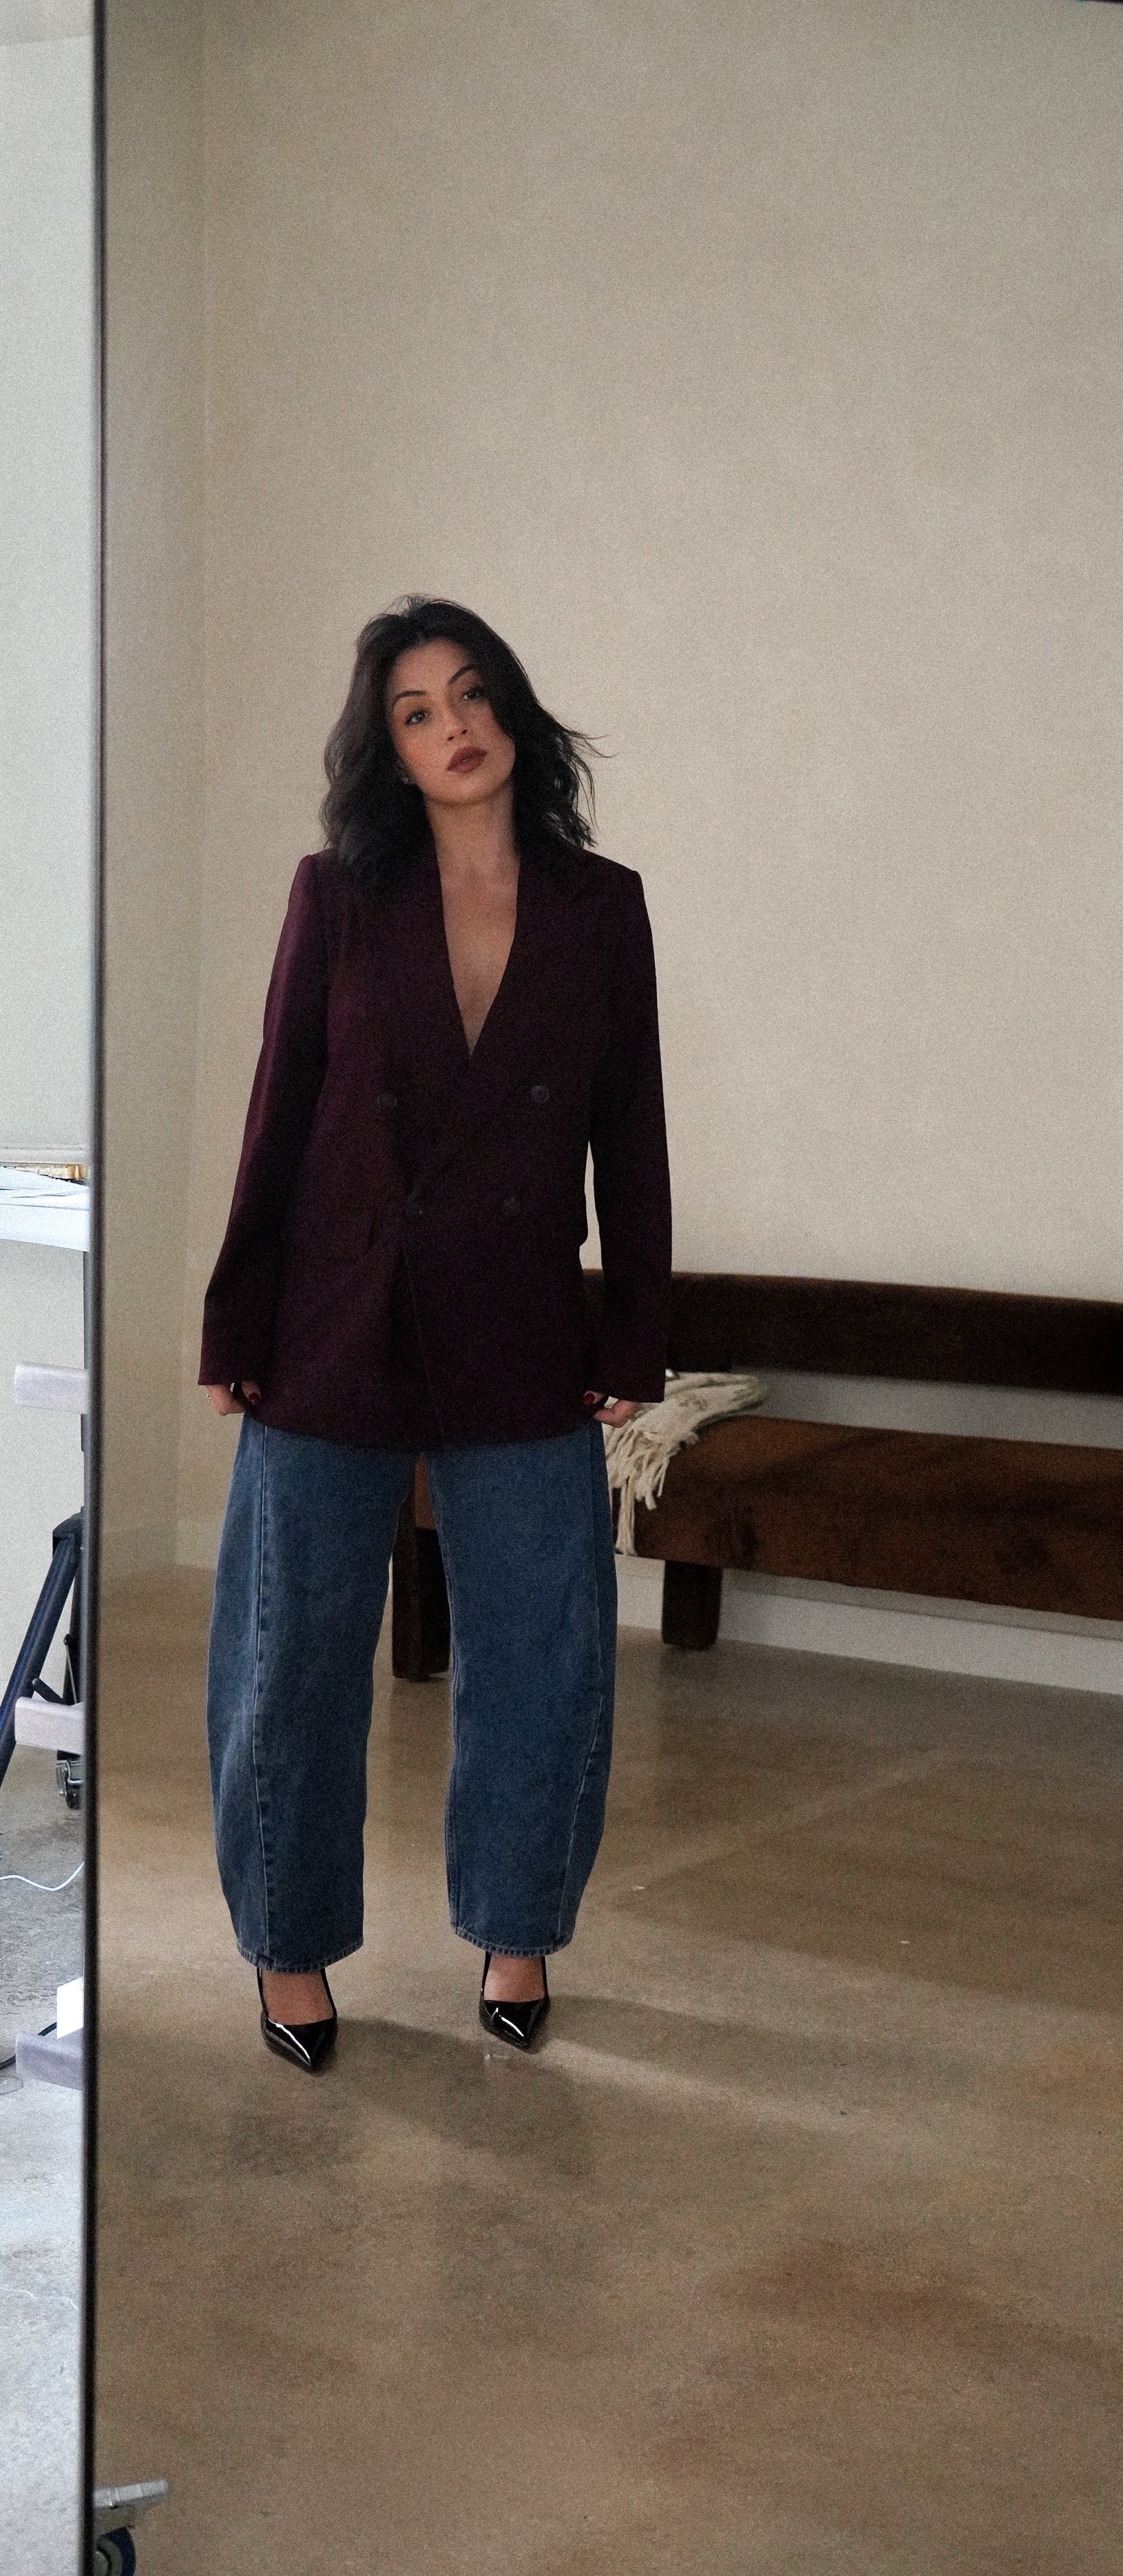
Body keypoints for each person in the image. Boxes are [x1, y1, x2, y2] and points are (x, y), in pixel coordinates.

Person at [199, 597, 671, 2071]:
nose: (452, 726)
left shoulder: (603, 906)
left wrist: (633, 1334)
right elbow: (279, 1111)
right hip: (332, 1317)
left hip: (523, 1320)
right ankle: (288, 1951)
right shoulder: (335, 893)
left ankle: (516, 1930)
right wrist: (238, 1319)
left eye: (470, 696)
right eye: (414, 710)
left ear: (511, 712)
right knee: (293, 1654)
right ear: (385, 748)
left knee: (543, 1652)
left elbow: (631, 1135)